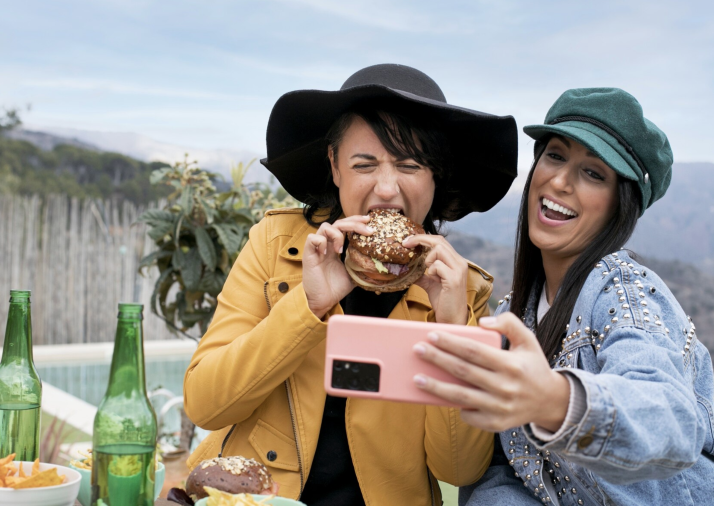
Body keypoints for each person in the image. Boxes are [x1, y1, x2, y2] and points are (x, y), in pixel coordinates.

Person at [183, 63, 519, 506]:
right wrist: (309, 306)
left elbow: (459, 468)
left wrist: (454, 329)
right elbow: (206, 403)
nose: (386, 188)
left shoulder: (460, 289)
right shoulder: (274, 245)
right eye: (365, 164)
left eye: (409, 164)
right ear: (335, 168)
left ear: (435, 177)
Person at [412, 88, 714, 505]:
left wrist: (555, 400)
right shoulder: (514, 315)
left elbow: (672, 423)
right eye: (555, 155)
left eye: (594, 173)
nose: (559, 181)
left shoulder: (623, 291)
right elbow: (505, 473)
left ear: (619, 205)